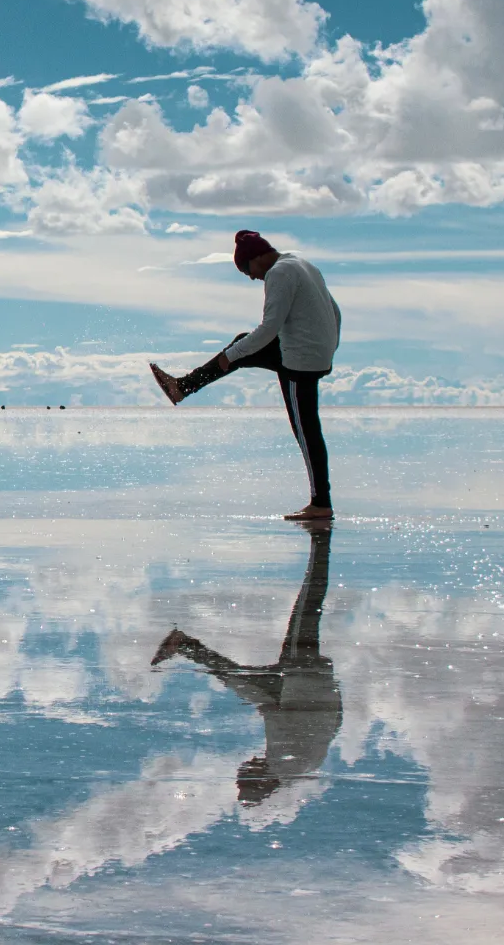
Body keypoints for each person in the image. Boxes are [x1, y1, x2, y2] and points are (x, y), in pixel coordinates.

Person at [150, 230, 341, 521]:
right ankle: (183, 387)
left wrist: (230, 356)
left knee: (306, 432)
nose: (251, 278)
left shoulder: (279, 273)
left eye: (246, 270)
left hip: (300, 361)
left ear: (257, 257)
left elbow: (268, 329)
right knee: (241, 342)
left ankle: (321, 503)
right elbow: (334, 310)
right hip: (314, 352)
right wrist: (330, 346)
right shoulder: (301, 263)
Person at [150, 523, 340, 807]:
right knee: (307, 605)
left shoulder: (299, 769)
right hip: (302, 678)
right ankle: (320, 545)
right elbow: (272, 712)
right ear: (258, 779)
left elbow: (327, 724)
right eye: (247, 770)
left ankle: (187, 646)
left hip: (308, 686)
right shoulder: (283, 764)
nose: (248, 762)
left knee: (238, 679)